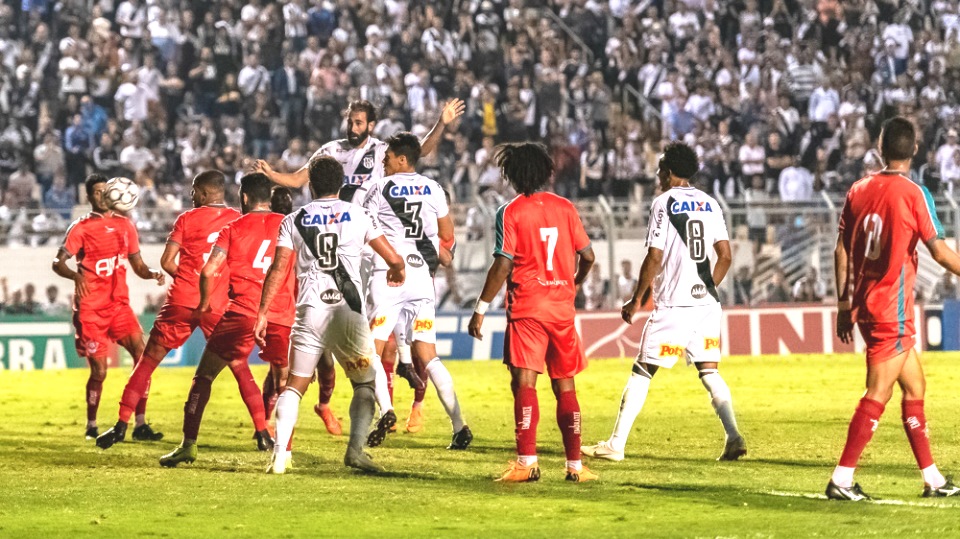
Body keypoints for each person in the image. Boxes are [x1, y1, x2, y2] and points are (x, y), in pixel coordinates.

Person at [253, 98, 464, 435]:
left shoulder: (384, 154)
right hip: (339, 243)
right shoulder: (330, 151)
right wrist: (270, 173)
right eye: (350, 121)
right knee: (365, 334)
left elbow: (418, 152)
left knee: (381, 336)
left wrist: (442, 123)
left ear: (372, 124)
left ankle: (389, 406)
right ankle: (373, 403)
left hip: (370, 246)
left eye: (359, 123)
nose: (353, 128)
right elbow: (296, 180)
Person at [581, 142, 746, 463]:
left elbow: (654, 257)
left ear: (669, 173)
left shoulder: (664, 202)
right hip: (707, 306)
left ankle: (616, 444)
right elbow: (725, 256)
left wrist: (636, 299)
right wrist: (707, 287)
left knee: (643, 369)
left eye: (659, 171)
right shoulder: (710, 203)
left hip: (674, 307)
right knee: (709, 370)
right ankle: (733, 435)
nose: (657, 176)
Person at [828, 117, 960, 500]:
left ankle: (933, 479)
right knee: (877, 394)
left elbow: (840, 248)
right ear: (915, 150)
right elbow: (938, 250)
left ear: (880, 148)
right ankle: (841, 478)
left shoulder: (859, 189)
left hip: (867, 303)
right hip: (891, 308)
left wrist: (842, 303)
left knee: (915, 385)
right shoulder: (915, 194)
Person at [257, 155, 406, 474]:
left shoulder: (293, 219)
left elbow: (278, 268)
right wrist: (397, 269)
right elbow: (391, 256)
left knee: (294, 386)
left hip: (310, 309)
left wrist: (262, 312)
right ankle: (355, 451)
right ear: (340, 184)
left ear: (310, 185)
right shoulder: (359, 215)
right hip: (348, 311)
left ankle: (280, 457)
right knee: (364, 384)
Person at [468, 142, 597, 483]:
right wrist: (575, 283)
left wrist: (480, 309)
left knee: (525, 382)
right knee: (565, 385)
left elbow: (502, 264)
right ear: (545, 171)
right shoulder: (565, 207)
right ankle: (575, 467)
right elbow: (588, 257)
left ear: (511, 175)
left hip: (528, 308)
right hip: (561, 308)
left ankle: (527, 462)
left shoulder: (510, 212)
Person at [95, 171, 241, 450]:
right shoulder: (237, 219)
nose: (191, 196)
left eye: (195, 191)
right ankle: (264, 431)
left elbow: (167, 261)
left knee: (147, 362)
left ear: (207, 193)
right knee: (237, 365)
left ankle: (121, 424)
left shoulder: (186, 219)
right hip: (216, 304)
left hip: (181, 301)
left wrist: (187, 278)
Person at [158, 173, 293, 467]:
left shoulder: (233, 228)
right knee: (285, 384)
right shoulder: (288, 226)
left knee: (203, 376)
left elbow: (208, 271)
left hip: (242, 313)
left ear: (244, 198)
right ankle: (283, 452)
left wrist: (205, 302)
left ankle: (188, 445)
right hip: (282, 315)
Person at [361, 132, 472, 449]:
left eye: (387, 158)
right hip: (423, 279)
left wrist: (393, 259)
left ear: (400, 158)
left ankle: (387, 411)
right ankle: (458, 425)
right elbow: (447, 234)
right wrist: (438, 253)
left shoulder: (379, 189)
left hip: (390, 276)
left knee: (372, 351)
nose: (383, 163)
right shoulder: (434, 188)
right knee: (430, 356)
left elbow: (369, 233)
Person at [52, 174, 166, 439]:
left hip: (119, 307)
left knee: (143, 355)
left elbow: (137, 265)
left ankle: (140, 424)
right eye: (98, 192)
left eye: (107, 190)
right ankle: (91, 425)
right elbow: (57, 263)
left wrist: (151, 273)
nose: (103, 196)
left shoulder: (126, 226)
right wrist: (76, 275)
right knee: (100, 371)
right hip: (91, 309)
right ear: (89, 196)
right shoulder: (80, 228)